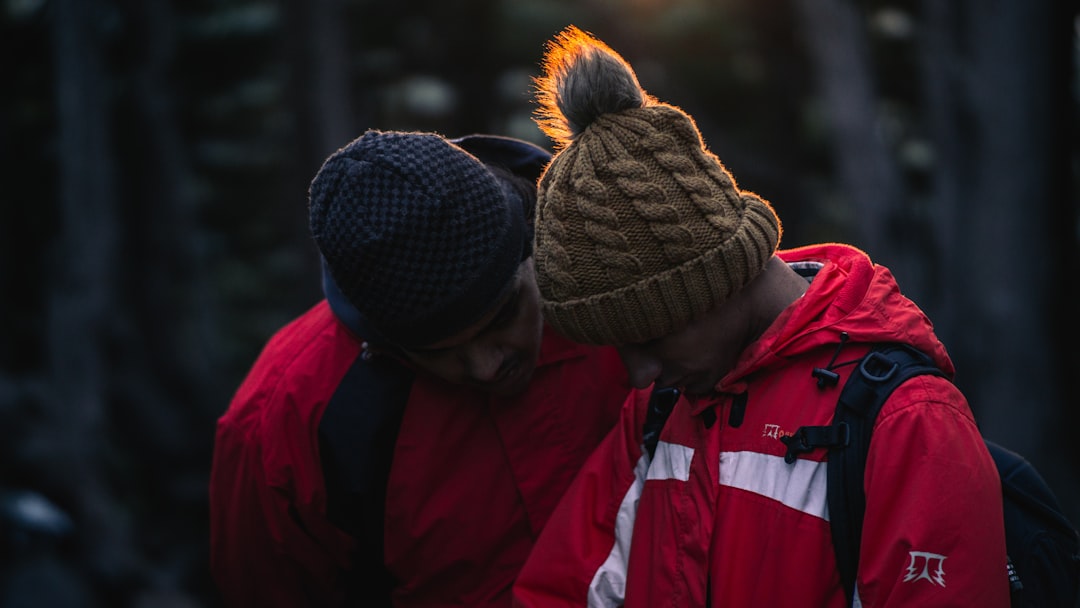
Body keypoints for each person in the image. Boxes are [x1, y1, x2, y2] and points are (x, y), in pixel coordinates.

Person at [512, 26, 1009, 607]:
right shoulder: (659, 413)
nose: (638, 374)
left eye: (647, 336)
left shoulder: (905, 422)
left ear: (716, 280)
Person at [208, 130, 631, 607]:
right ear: (385, 339)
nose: (487, 367)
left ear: (531, 246)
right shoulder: (285, 424)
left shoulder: (629, 278)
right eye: (439, 351)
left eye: (503, 316)